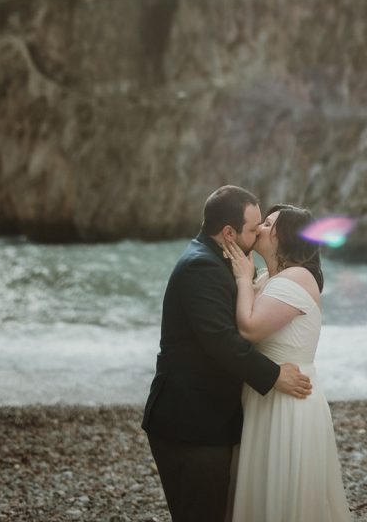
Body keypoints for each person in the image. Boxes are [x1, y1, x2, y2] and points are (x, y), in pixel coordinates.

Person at [142, 185, 312, 522]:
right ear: (229, 232)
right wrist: (275, 375)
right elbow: (220, 340)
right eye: (254, 228)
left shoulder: (218, 260)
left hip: (205, 420)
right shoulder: (200, 267)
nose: (260, 232)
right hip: (190, 424)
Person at [225, 203, 353, 522]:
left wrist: (243, 278)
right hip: (268, 391)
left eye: (267, 224)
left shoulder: (296, 277)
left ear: (284, 236)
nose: (259, 228)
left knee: (283, 493)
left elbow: (250, 327)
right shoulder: (273, 276)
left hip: (288, 401)